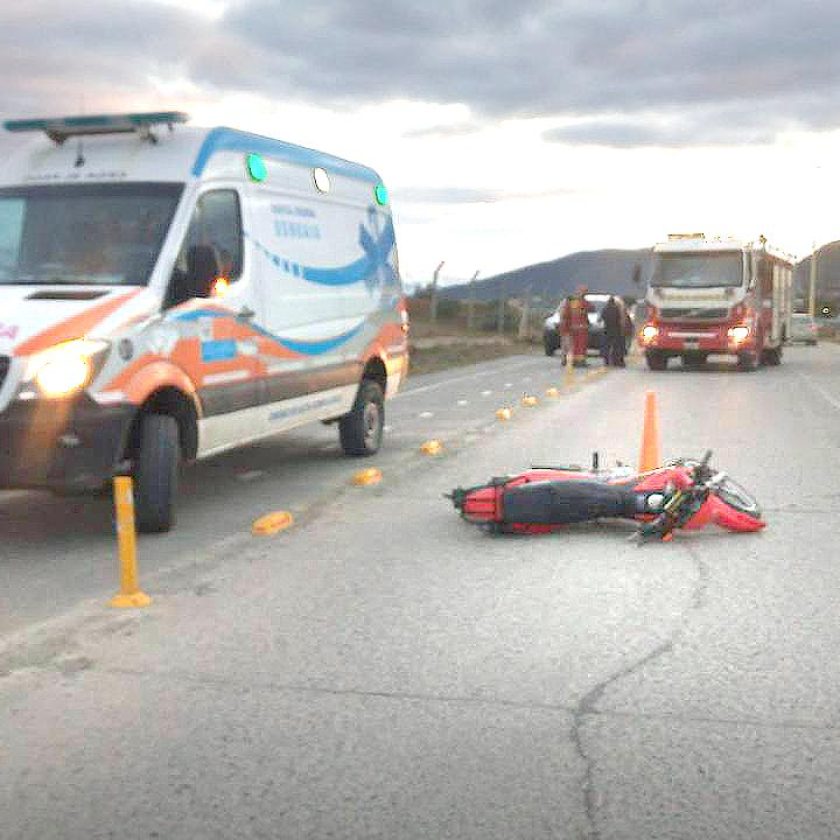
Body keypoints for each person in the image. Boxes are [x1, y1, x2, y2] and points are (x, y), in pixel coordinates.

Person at [561, 285, 592, 366]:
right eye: (584, 291)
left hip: (576, 327)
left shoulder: (574, 302)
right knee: (578, 345)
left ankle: (573, 360)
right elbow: (588, 309)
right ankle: (578, 361)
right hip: (578, 327)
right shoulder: (577, 302)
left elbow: (566, 314)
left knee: (576, 345)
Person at [601, 295, 625, 366]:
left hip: (607, 328)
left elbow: (602, 317)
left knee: (606, 346)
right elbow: (620, 318)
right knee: (617, 346)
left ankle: (606, 361)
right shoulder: (616, 309)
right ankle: (616, 361)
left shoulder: (605, 309)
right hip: (616, 329)